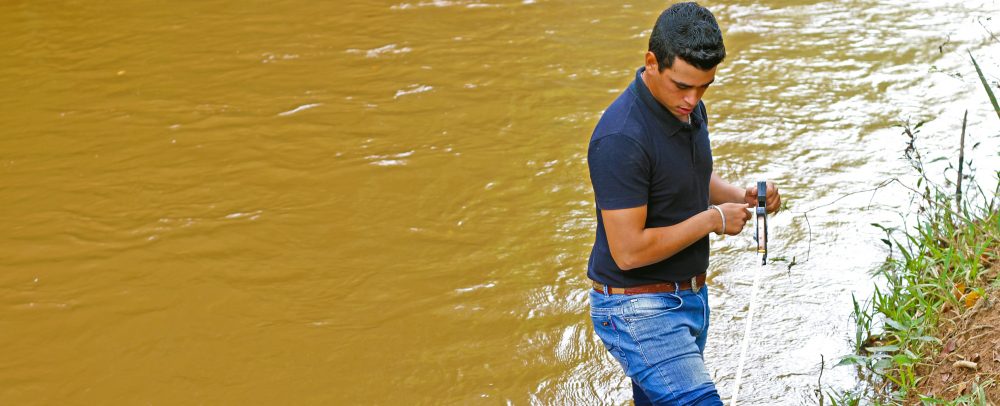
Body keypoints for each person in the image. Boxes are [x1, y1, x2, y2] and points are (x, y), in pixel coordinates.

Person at [585, 2, 781, 405]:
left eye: (704, 86)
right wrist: (713, 219)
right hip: (635, 307)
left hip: (688, 297)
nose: (693, 99)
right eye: (682, 86)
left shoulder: (685, 109)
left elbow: (687, 177)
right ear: (651, 63)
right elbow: (628, 251)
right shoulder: (621, 138)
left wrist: (740, 197)